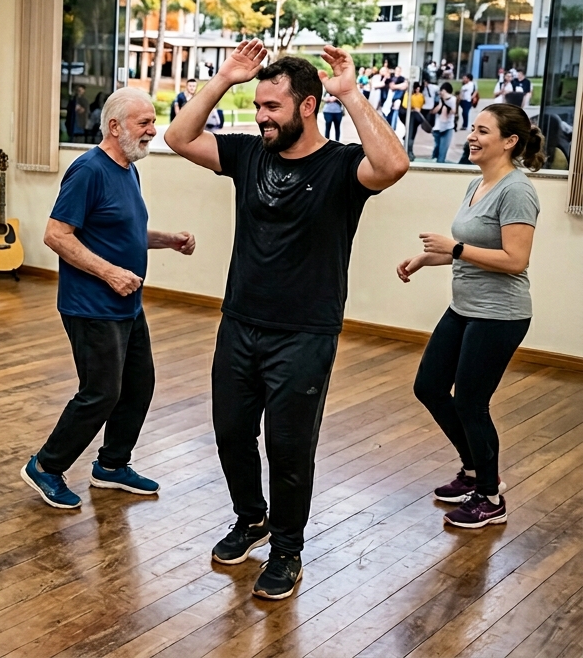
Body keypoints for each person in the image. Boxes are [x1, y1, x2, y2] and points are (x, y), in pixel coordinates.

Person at [163, 40, 409, 600]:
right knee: (231, 433)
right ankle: (252, 518)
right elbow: (178, 137)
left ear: (307, 106)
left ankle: (287, 550)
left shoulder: (342, 167)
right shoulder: (249, 154)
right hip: (240, 322)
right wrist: (225, 79)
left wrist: (351, 94)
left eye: (272, 107)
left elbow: (393, 165)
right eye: (258, 106)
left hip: (304, 332)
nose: (261, 117)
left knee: (289, 447)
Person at [20, 87, 196, 511]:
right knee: (101, 392)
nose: (152, 130)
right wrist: (110, 273)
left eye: (152, 122)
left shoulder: (128, 170)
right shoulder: (88, 170)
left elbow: (122, 231)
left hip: (127, 305)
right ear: (114, 127)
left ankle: (113, 465)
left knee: (138, 385)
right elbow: (56, 235)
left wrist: (167, 239)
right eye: (144, 122)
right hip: (91, 305)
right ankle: (45, 466)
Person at [397, 103, 542, 529]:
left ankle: (490, 497)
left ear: (509, 141)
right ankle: (475, 470)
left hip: (500, 315)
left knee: (471, 403)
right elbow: (474, 251)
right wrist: (428, 258)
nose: (471, 137)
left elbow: (515, 260)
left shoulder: (517, 191)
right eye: (472, 129)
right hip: (464, 307)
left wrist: (455, 248)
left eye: (482, 131)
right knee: (429, 387)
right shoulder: (477, 183)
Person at [431, 82, 458, 163]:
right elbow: (434, 111)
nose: (441, 92)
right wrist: (439, 106)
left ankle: (440, 163)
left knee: (443, 150)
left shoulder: (453, 99)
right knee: (437, 148)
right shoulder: (439, 99)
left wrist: (446, 105)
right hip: (437, 127)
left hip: (448, 127)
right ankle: (435, 162)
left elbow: (454, 111)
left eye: (442, 91)